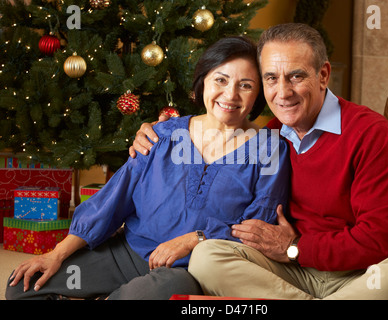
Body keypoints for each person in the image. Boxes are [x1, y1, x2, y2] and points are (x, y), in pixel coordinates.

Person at [130, 23, 388, 300]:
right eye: (271, 78)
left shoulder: (369, 132)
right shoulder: (271, 137)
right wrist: (155, 132)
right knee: (208, 257)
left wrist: (295, 248)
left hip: (359, 275)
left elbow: (380, 240)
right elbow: (234, 213)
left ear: (323, 75)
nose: (283, 93)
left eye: (296, 76)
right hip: (287, 272)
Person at [5, 36, 290, 300]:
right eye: (221, 79)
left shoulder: (268, 150)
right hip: (128, 252)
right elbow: (113, 200)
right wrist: (56, 254)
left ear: (258, 95)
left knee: (153, 294)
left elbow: (256, 230)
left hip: (186, 271)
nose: (230, 94)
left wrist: (195, 239)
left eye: (246, 85)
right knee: (22, 286)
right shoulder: (162, 134)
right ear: (203, 81)